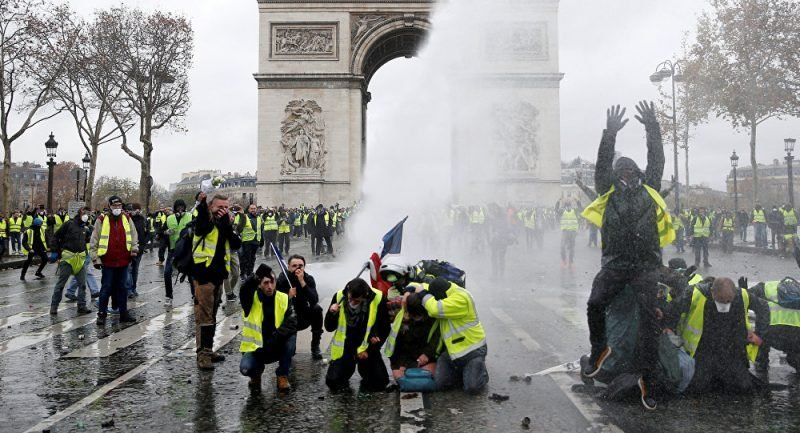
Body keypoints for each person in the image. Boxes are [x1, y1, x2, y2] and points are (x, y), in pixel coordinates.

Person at [580, 102, 670, 410]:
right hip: (616, 263)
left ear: (639, 173)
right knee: (594, 304)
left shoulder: (651, 188)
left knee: (649, 325)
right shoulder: (607, 191)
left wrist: (652, 127)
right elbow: (601, 164)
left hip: (645, 265)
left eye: (631, 171)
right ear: (616, 174)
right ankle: (599, 350)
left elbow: (657, 158)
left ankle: (648, 380)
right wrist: (610, 134)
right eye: (623, 171)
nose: (627, 174)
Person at [664, 277, 762, 394]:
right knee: (697, 388)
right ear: (712, 292)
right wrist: (669, 328)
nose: (724, 304)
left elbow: (763, 307)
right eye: (721, 300)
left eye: (728, 301)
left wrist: (759, 334)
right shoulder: (695, 294)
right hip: (703, 349)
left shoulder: (742, 295)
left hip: (730, 349)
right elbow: (672, 309)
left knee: (742, 387)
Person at [409, 278, 488, 394]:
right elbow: (419, 286)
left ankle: (481, 372)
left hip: (472, 351)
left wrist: (423, 295)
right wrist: (409, 290)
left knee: (472, 388)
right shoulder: (445, 289)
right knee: (441, 384)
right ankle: (465, 371)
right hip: (452, 353)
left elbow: (434, 309)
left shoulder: (461, 298)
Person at [192, 192, 241, 369]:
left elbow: (236, 244)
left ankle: (208, 349)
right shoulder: (203, 219)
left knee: (212, 314)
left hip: (219, 274)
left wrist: (227, 224)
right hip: (203, 273)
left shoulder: (225, 223)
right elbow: (202, 227)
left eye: (226, 207)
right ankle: (203, 355)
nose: (224, 210)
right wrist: (203, 204)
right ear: (211, 206)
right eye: (220, 207)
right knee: (204, 315)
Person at [324, 278, 390, 392]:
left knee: (379, 383)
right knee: (334, 382)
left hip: (367, 346)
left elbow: (385, 328)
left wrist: (371, 349)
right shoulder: (339, 296)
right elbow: (329, 327)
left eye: (357, 301)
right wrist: (331, 313)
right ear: (348, 292)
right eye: (350, 299)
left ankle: (366, 371)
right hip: (345, 346)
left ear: (365, 296)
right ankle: (347, 368)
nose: (352, 303)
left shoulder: (378, 298)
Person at [239, 264, 297, 391]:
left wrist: (275, 338)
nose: (269, 286)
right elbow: (244, 289)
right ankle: (256, 374)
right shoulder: (250, 299)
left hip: (276, 345)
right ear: (259, 284)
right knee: (245, 368)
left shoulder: (284, 298)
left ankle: (282, 375)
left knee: (291, 338)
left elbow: (292, 323)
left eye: (272, 282)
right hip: (256, 349)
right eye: (265, 283)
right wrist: (256, 275)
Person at [90, 196, 139, 325]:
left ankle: (123, 313)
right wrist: (95, 258)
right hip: (108, 261)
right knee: (106, 288)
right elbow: (94, 239)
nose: (117, 208)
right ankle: (102, 314)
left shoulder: (127, 218)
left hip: (123, 260)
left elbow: (133, 235)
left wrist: (134, 249)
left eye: (119, 205)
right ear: (110, 206)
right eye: (114, 206)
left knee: (123, 288)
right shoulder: (101, 219)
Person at [385, 292, 439, 389]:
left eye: (419, 315)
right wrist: (401, 365)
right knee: (400, 377)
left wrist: (427, 354)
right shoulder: (401, 321)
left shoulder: (433, 318)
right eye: (415, 315)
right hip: (406, 358)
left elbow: (436, 340)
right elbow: (397, 349)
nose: (418, 318)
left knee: (430, 377)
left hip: (426, 358)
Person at [746, 277, 800, 373]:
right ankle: (796, 361)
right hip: (795, 336)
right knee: (795, 356)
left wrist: (745, 291)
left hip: (769, 332)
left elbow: (747, 299)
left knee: (760, 329)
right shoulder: (797, 292)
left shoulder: (766, 287)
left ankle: (761, 363)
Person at [275, 254, 324, 360]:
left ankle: (315, 346)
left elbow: (314, 300)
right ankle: (287, 347)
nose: (297, 269)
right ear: (288, 267)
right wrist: (288, 297)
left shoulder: (308, 279)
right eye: (294, 266)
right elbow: (275, 304)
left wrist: (302, 282)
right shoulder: (282, 280)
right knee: (289, 352)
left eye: (300, 266)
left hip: (303, 315)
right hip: (288, 317)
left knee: (317, 309)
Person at [50, 206, 93, 315]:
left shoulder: (85, 227)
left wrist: (86, 250)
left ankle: (81, 306)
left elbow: (85, 241)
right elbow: (56, 236)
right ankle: (54, 306)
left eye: (88, 213)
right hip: (68, 259)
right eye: (85, 212)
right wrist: (55, 251)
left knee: (82, 284)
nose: (86, 215)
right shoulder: (69, 224)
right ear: (79, 212)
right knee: (61, 284)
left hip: (80, 259)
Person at [164, 199, 193, 307]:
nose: (180, 209)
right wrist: (166, 232)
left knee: (191, 274)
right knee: (167, 272)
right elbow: (161, 231)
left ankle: (194, 295)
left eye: (182, 207)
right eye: (178, 207)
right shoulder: (169, 218)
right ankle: (168, 296)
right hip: (173, 250)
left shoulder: (190, 216)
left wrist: (191, 231)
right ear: (175, 208)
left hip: (186, 250)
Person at [236, 204, 261, 281]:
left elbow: (260, 229)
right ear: (248, 209)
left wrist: (261, 240)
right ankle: (243, 274)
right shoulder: (244, 217)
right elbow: (237, 227)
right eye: (251, 208)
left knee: (252, 258)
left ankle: (250, 273)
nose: (253, 210)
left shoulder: (258, 218)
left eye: (254, 208)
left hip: (255, 241)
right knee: (245, 259)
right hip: (246, 241)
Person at [127, 204, 147, 298]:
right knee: (129, 269)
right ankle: (129, 290)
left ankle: (133, 288)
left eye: (138, 209)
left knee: (135, 269)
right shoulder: (127, 219)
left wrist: (143, 245)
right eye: (135, 209)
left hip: (139, 248)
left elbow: (146, 233)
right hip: (129, 248)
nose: (137, 211)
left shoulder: (142, 219)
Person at [557, 199, 579, 269]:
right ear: (565, 206)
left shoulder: (575, 211)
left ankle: (571, 261)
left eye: (569, 205)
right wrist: (558, 202)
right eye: (567, 205)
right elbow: (556, 210)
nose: (568, 207)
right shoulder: (562, 211)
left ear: (571, 205)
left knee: (571, 248)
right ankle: (564, 260)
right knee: (562, 246)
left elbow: (581, 209)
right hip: (565, 231)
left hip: (573, 232)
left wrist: (577, 201)